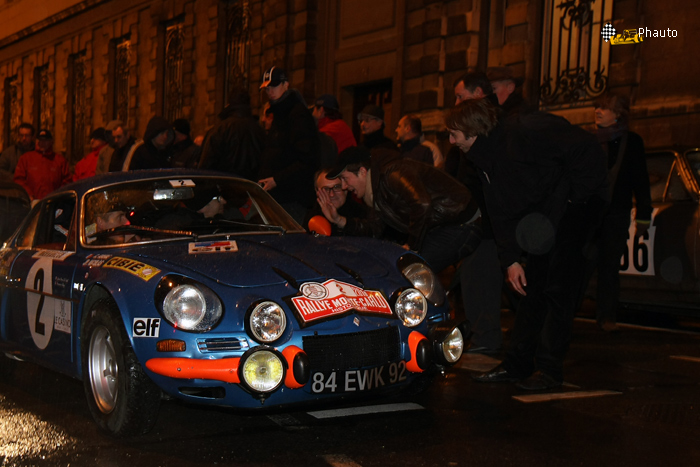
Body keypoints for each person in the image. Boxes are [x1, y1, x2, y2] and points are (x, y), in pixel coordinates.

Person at [446, 97, 608, 390]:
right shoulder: (483, 159)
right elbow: (500, 212)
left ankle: (549, 371)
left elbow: (586, 148)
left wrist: (573, 198)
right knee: (533, 292)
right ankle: (517, 365)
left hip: (575, 213)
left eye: (454, 133)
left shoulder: (524, 130)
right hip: (545, 221)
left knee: (558, 292)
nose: (451, 140)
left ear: (472, 131)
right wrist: (510, 260)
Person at [326, 146, 481, 274]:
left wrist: (412, 246)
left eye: (345, 179)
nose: (345, 186)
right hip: (446, 226)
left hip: (463, 223)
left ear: (362, 172)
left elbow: (422, 204)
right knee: (405, 268)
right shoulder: (375, 191)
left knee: (411, 270)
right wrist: (340, 220)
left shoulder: (392, 173)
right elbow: (374, 229)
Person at [588, 93, 652, 332]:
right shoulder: (588, 139)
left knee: (609, 266)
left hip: (616, 213)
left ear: (618, 114)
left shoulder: (632, 141)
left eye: (604, 108)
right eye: (597, 107)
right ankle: (566, 313)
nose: (598, 111)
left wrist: (644, 215)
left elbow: (641, 180)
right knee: (581, 262)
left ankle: (606, 316)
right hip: (589, 213)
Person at [257, 66, 319, 224]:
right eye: (267, 88)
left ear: (286, 85)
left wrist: (277, 179)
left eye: (274, 86)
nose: (270, 91)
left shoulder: (297, 115)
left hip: (292, 200)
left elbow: (307, 159)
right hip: (278, 198)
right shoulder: (280, 114)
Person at [198, 89, 266, 181]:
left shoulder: (220, 129)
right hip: (251, 187)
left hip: (225, 185)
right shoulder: (259, 130)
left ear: (229, 104)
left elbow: (206, 164)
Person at [305, 168, 368, 235]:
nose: (332, 194)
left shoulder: (364, 215)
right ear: (317, 192)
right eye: (326, 189)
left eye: (337, 187)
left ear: (346, 188)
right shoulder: (311, 219)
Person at [14, 129, 71, 201]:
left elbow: (67, 181)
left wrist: (58, 196)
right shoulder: (26, 158)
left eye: (45, 141)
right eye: (40, 140)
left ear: (51, 142)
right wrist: (29, 194)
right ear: (36, 141)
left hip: (53, 201)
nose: (42, 143)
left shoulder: (60, 160)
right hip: (31, 201)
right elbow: (19, 179)